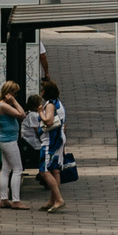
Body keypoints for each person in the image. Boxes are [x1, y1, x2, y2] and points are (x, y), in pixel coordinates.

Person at [0, 81, 28, 207]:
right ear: (9, 93)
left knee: (6, 169)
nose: (16, 95)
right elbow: (22, 115)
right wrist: (14, 102)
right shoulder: (4, 106)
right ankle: (16, 200)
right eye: (14, 93)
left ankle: (4, 199)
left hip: (4, 139)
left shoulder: (0, 104)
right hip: (9, 141)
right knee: (17, 169)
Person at [37, 79, 68, 213]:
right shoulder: (59, 104)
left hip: (50, 141)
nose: (41, 92)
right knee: (55, 170)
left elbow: (48, 121)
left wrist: (40, 112)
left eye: (43, 90)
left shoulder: (49, 105)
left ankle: (59, 199)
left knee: (44, 171)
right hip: (59, 139)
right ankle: (52, 200)